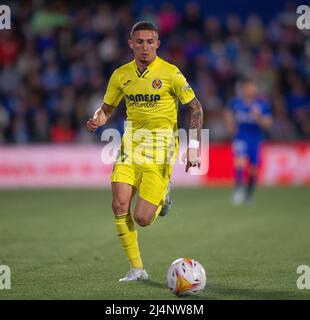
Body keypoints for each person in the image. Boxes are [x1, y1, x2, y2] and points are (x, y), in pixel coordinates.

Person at [86, 21, 203, 281]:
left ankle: (164, 192)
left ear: (158, 44)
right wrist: (98, 119)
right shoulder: (121, 75)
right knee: (118, 205)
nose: (145, 47)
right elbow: (106, 109)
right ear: (131, 44)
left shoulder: (171, 73)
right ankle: (137, 268)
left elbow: (196, 109)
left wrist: (193, 147)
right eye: (139, 42)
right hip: (130, 148)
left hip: (161, 153)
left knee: (142, 218)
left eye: (150, 42)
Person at [224, 78, 272, 206]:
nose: (249, 89)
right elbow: (228, 113)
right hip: (240, 137)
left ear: (255, 89)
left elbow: (268, 124)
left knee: (253, 169)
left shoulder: (262, 105)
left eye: (251, 87)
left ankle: (249, 194)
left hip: (255, 140)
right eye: (246, 87)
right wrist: (230, 125)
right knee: (239, 162)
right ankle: (239, 190)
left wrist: (258, 117)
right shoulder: (236, 103)